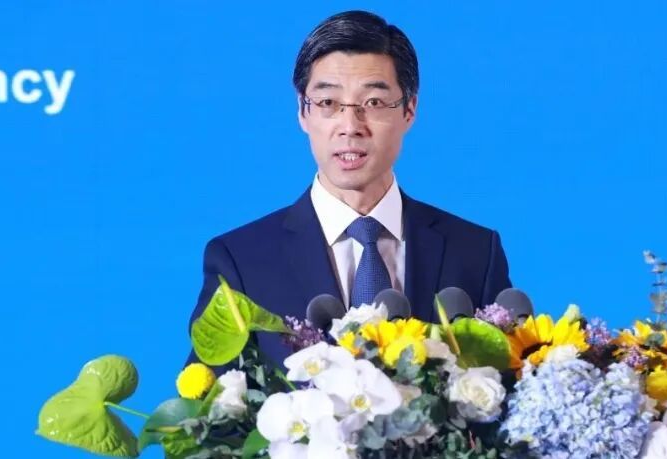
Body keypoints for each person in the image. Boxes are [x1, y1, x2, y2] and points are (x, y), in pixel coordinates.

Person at [188, 10, 512, 368]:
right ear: (303, 112)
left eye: (373, 103)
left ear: (409, 109)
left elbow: (508, 384)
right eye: (328, 103)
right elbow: (207, 399)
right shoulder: (241, 261)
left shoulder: (474, 252)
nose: (350, 125)